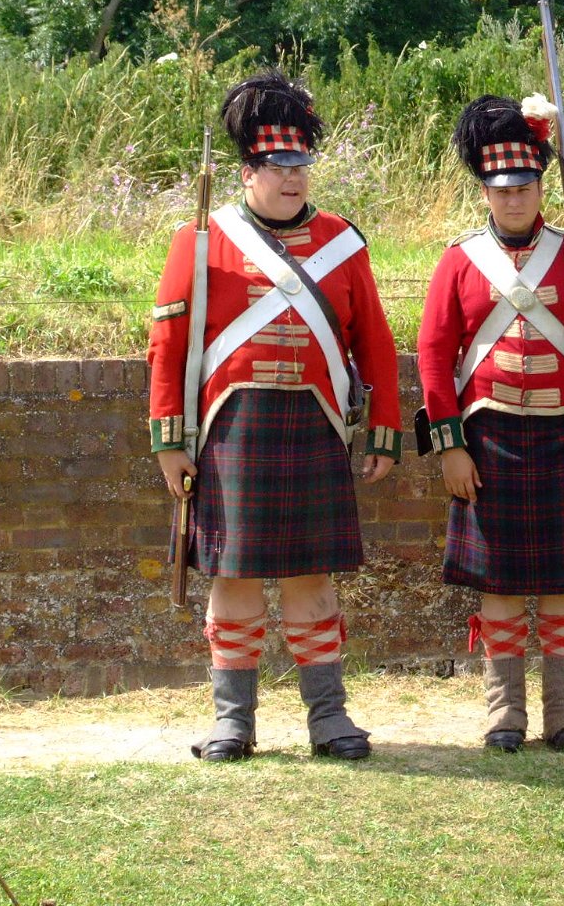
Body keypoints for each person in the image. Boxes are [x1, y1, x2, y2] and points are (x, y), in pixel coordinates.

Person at [147, 71, 402, 762]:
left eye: (301, 164)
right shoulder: (200, 239)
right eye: (276, 166)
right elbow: (168, 343)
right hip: (234, 428)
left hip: (315, 425)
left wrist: (383, 430)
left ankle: (329, 719)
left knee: (311, 580)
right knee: (232, 580)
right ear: (247, 170)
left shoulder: (344, 242)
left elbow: (373, 341)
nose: (292, 179)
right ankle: (234, 722)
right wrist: (170, 439)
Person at [417, 94, 564, 753]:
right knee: (499, 588)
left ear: (541, 185)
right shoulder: (459, 260)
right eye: (502, 189)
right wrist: (450, 445)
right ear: (485, 189)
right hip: (490, 439)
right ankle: (505, 715)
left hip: (563, 437)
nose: (515, 199)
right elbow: (432, 354)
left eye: (527, 186)